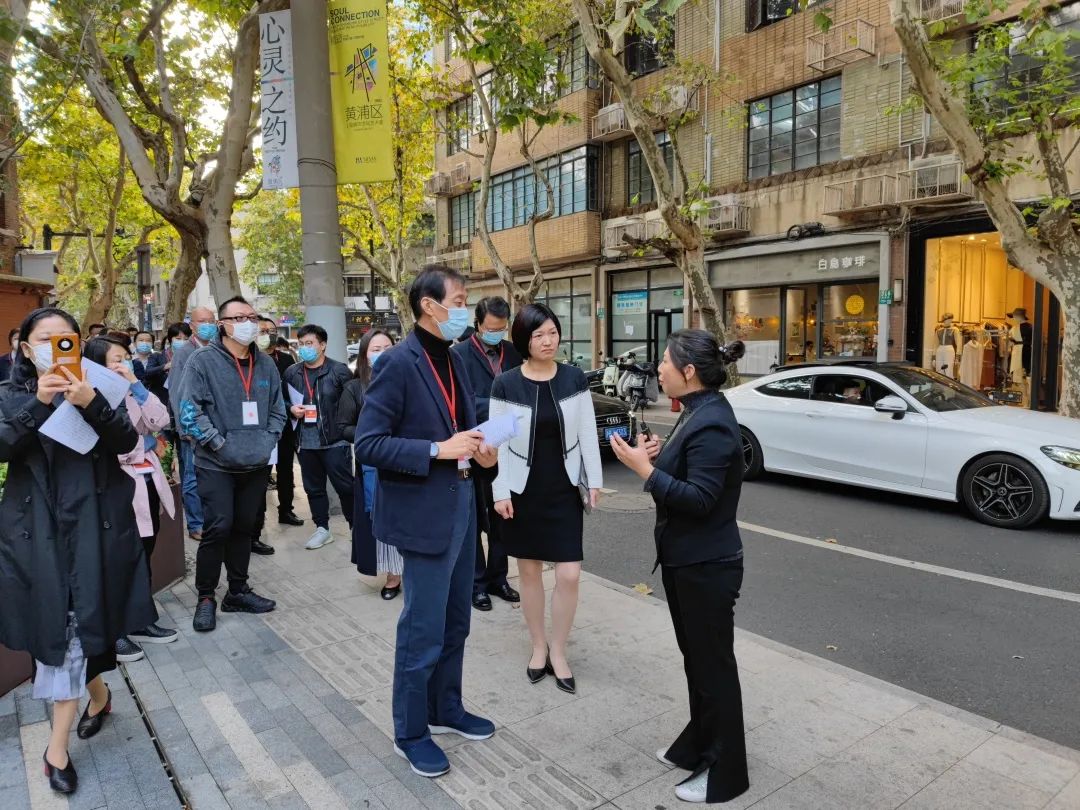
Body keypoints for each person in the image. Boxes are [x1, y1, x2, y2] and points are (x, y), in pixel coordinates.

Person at [0, 306, 155, 796]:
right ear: (25, 348)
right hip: (36, 531)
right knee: (63, 625)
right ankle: (100, 695)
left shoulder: (101, 385)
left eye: (65, 338)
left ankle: (56, 749)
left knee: (76, 623)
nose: (55, 346)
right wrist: (39, 406)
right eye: (43, 340)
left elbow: (128, 442)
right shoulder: (11, 395)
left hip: (93, 526)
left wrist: (92, 403)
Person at [355, 266, 498, 779]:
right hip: (422, 515)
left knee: (456, 620)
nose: (465, 309)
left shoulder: (456, 359)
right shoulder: (397, 362)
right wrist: (439, 449)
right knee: (423, 629)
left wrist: (483, 448)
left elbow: (464, 426)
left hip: (460, 506)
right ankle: (410, 731)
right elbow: (368, 444)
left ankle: (446, 708)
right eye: (458, 300)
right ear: (429, 307)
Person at [609, 330, 749, 805]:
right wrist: (654, 458)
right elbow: (685, 472)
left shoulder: (712, 421)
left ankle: (726, 772)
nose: (659, 370)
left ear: (689, 372)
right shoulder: (696, 411)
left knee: (714, 667)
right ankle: (699, 744)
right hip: (687, 561)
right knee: (699, 664)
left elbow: (702, 499)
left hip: (708, 565)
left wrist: (644, 470)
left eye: (665, 362)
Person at [488, 303, 602, 695]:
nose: (548, 340)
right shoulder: (505, 383)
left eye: (552, 332)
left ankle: (560, 650)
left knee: (569, 573)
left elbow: (588, 431)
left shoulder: (574, 379)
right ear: (524, 339)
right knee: (531, 572)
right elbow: (497, 443)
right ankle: (539, 646)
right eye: (539, 335)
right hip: (523, 490)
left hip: (564, 487)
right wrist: (499, 490)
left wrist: (594, 480)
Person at [174, 297, 285, 632]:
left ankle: (237, 590)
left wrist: (268, 441)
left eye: (252, 316)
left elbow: (278, 408)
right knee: (218, 527)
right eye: (238, 317)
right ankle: (206, 596)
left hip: (255, 463)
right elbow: (189, 411)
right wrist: (219, 444)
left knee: (243, 528)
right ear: (222, 323)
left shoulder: (265, 364)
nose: (247, 323)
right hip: (216, 464)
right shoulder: (202, 361)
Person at [83, 335, 178, 662]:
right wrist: (145, 444)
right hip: (116, 485)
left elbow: (162, 420)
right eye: (115, 359)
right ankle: (116, 630)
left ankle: (141, 618)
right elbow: (111, 444)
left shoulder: (131, 391)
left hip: (146, 479)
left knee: (143, 553)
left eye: (125, 358)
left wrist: (136, 384)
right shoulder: (88, 398)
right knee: (120, 558)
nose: (122, 364)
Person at [451, 296, 522, 611]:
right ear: (478, 325)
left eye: (501, 329)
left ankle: (499, 578)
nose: (496, 334)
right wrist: (496, 408)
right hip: (475, 447)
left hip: (508, 447)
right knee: (475, 517)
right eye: (491, 329)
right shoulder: (459, 355)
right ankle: (476, 584)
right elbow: (459, 401)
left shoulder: (514, 353)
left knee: (502, 518)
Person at [339, 329, 401, 597]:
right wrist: (373, 437)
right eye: (376, 349)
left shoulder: (407, 382)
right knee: (382, 516)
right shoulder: (354, 389)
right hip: (373, 466)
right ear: (364, 355)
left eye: (388, 347)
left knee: (407, 517)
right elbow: (343, 427)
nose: (383, 353)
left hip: (405, 460)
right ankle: (393, 575)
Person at [284, 323, 354, 550]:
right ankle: (322, 529)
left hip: (335, 440)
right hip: (306, 441)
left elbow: (353, 403)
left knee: (346, 487)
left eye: (310, 343)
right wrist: (290, 409)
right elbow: (281, 401)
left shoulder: (339, 371)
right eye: (301, 344)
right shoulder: (292, 373)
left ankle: (357, 528)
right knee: (313, 488)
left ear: (322, 345)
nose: (305, 348)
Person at [168, 306, 217, 540]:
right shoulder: (184, 353)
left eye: (211, 320)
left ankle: (211, 519)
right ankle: (196, 524)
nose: (207, 324)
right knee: (192, 476)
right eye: (202, 321)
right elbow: (177, 393)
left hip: (215, 426)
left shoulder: (218, 348)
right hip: (192, 426)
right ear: (193, 326)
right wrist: (184, 426)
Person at [258, 317, 302, 527]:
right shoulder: (252, 359)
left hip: (285, 424)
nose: (269, 334)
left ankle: (286, 510)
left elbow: (294, 390)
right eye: (263, 330)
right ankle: (258, 518)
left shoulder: (286, 360)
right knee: (261, 473)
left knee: (286, 470)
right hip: (261, 427)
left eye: (272, 330)